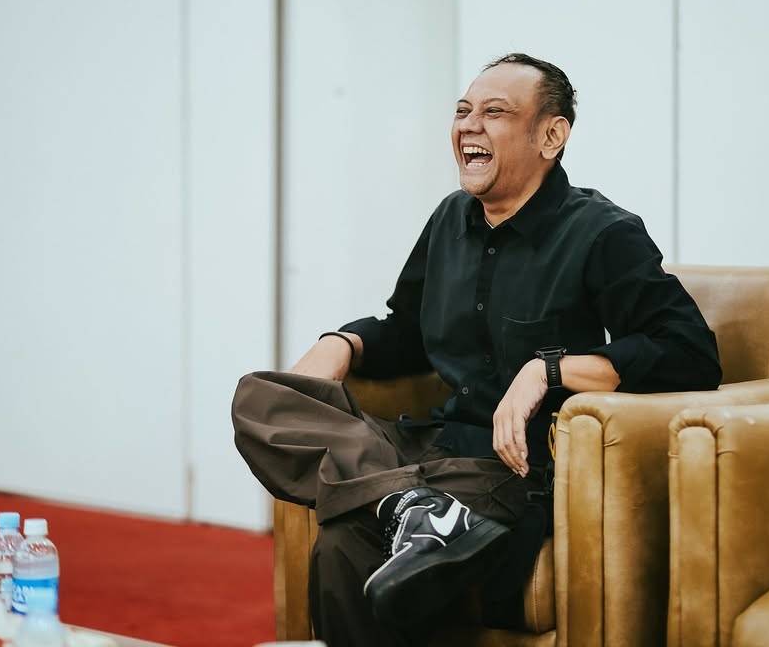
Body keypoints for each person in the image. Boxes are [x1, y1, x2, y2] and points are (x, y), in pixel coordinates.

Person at [232, 53, 722, 647]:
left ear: (551, 136)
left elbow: (689, 354)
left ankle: (413, 508)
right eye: (463, 111)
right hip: (430, 448)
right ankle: (411, 506)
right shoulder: (450, 218)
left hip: (511, 468)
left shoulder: (603, 232)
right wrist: (344, 342)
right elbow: (409, 331)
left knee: (344, 539)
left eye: (495, 113)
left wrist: (549, 370)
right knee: (262, 397)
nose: (469, 125)